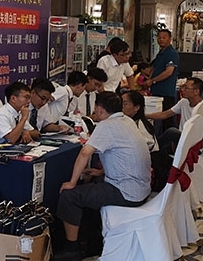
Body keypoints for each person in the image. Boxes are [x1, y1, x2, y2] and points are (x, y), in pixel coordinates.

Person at [54, 91, 151, 261]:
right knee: (93, 182)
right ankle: (92, 241)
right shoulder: (127, 121)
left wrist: (72, 182)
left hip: (126, 192)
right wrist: (101, 172)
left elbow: (85, 153)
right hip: (140, 188)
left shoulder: (107, 125)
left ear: (99, 109)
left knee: (70, 195)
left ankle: (71, 249)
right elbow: (124, 156)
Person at [147, 77, 203, 154]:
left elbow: (196, 132)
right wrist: (145, 116)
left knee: (172, 132)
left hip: (194, 144)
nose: (182, 90)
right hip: (181, 139)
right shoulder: (183, 102)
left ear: (196, 91)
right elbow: (165, 114)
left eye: (186, 88)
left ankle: (151, 148)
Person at [0, 82, 41, 148]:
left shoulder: (19, 113)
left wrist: (27, 132)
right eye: (26, 97)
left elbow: (36, 133)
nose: (29, 101)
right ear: (13, 99)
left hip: (7, 149)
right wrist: (24, 118)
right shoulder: (2, 115)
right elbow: (10, 140)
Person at [142, 29, 179, 134]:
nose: (161, 40)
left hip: (166, 92)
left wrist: (153, 81)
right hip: (156, 92)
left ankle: (169, 141)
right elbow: (154, 68)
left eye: (164, 37)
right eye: (159, 37)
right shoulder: (160, 53)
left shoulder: (171, 53)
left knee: (166, 120)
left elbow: (168, 72)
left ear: (170, 39)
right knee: (157, 121)